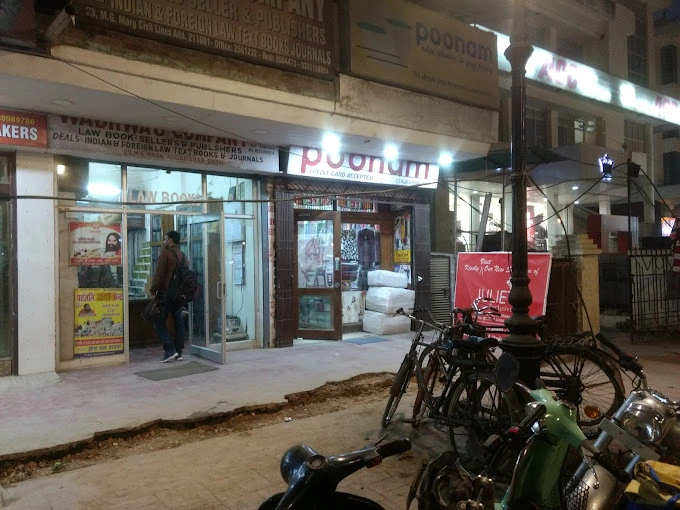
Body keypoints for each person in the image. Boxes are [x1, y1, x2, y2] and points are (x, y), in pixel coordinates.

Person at [150, 230, 186, 363]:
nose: (164, 241)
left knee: (158, 321)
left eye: (165, 239)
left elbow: (159, 274)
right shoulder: (183, 256)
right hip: (179, 295)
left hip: (166, 294)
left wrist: (153, 290)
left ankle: (170, 350)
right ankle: (179, 352)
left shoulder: (165, 254)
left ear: (170, 240)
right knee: (179, 322)